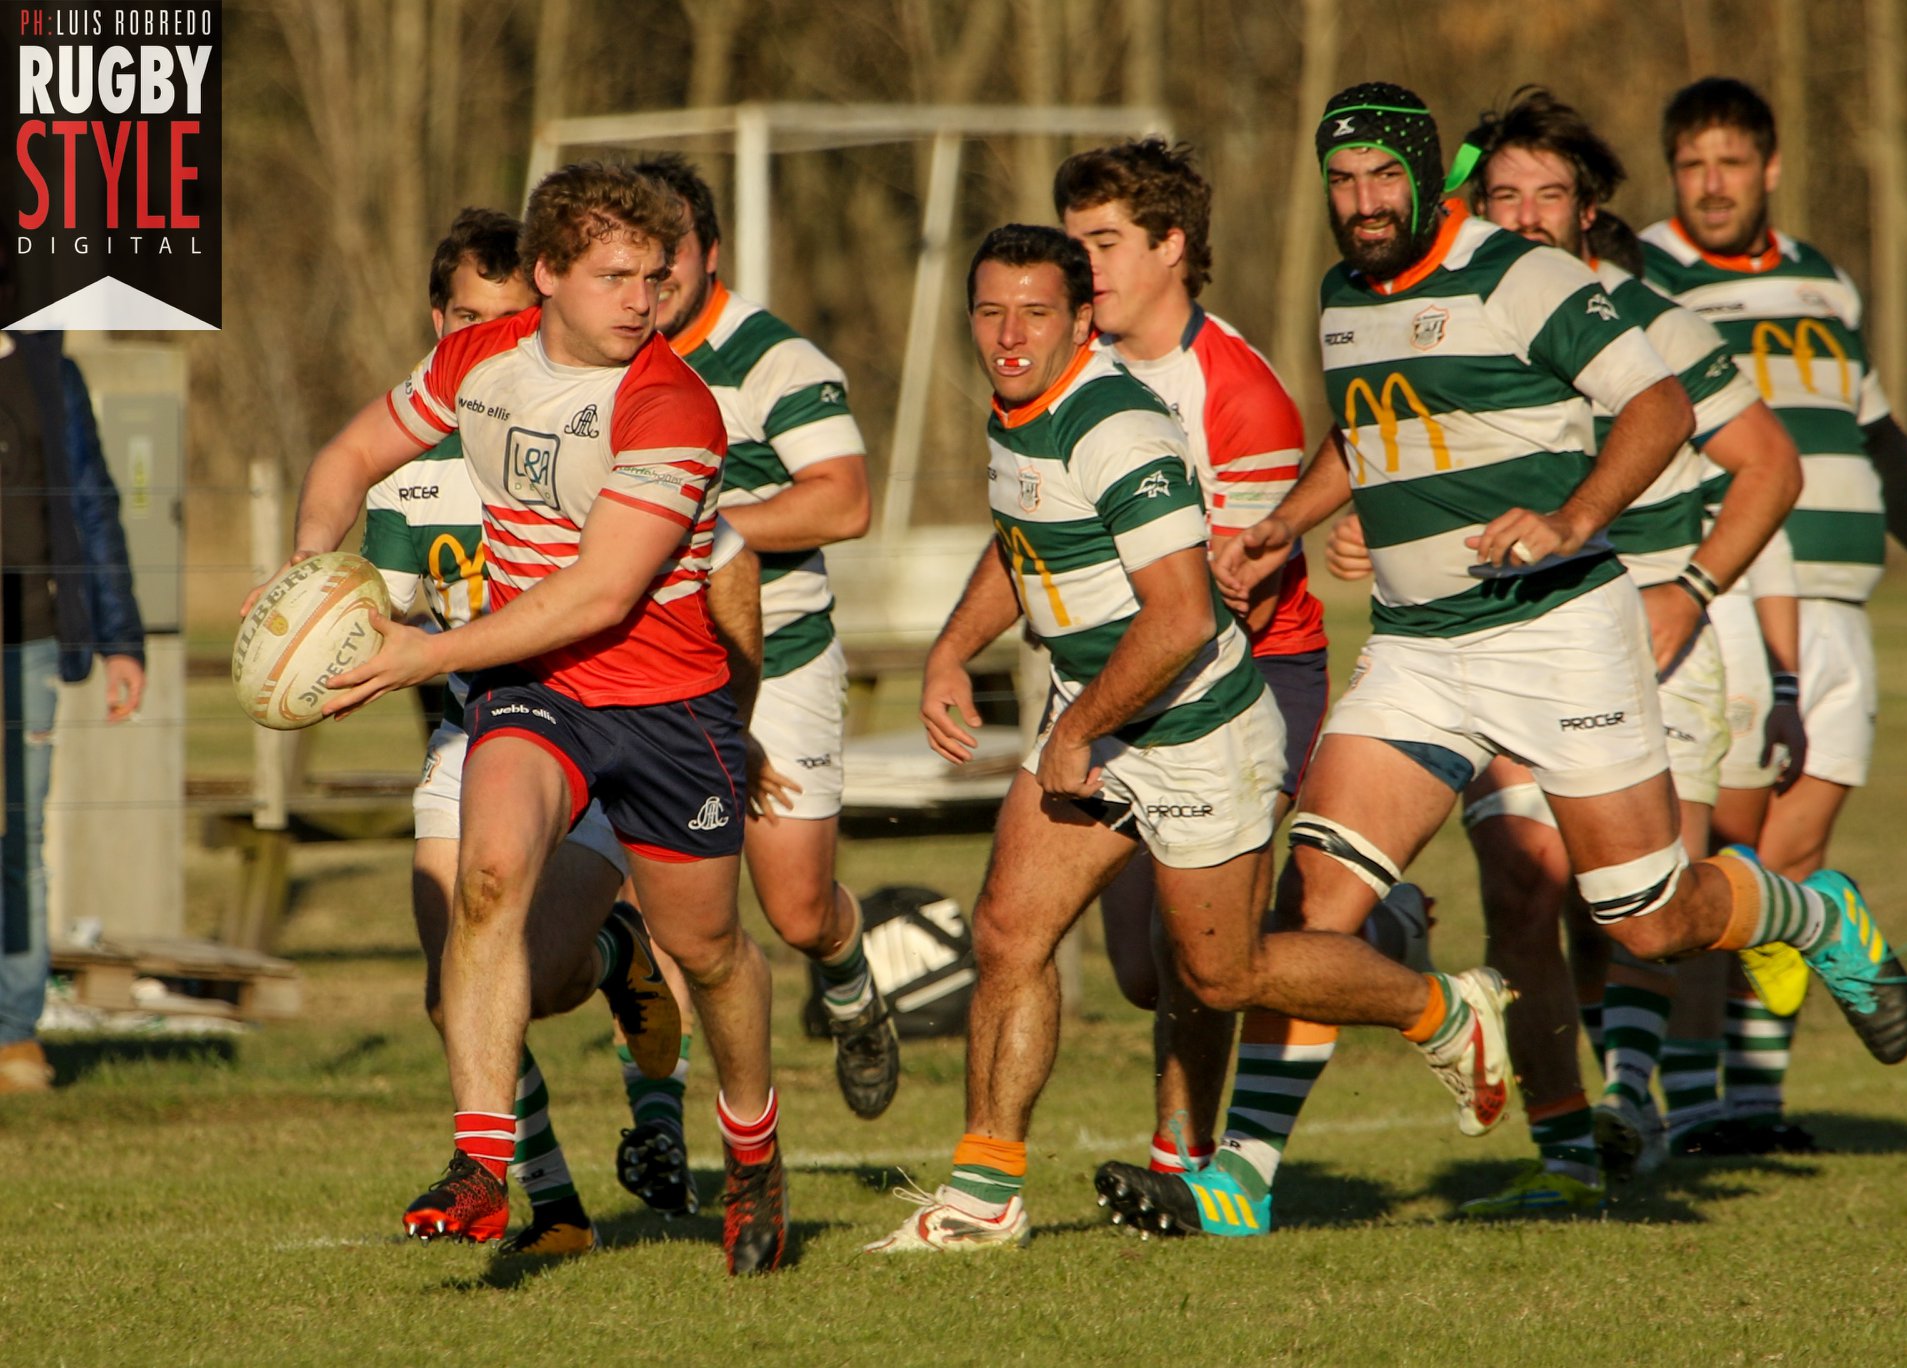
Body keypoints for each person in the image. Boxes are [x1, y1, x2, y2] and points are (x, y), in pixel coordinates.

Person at [1102, 81, 1907, 1240]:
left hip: (1559, 638)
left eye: (1385, 177)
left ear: (1426, 177)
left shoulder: (1519, 274)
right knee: (1314, 906)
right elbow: (1368, 422)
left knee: (1644, 919)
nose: (1363, 202)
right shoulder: (1343, 292)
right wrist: (1288, 519)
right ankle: (1243, 1175)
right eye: (1343, 180)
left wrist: (1575, 520)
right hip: (1420, 650)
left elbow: (1662, 404)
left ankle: (1812, 911)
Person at [867, 224, 1511, 1254]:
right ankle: (984, 1195)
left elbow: (1179, 619)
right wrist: (951, 650)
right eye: (990, 312)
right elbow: (1023, 534)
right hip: (1103, 721)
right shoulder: (1016, 409)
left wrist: (1076, 729)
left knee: (1220, 974)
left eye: (1035, 312)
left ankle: (1440, 1006)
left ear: (1082, 318)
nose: (1009, 335)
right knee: (1007, 933)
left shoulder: (1115, 426)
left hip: (1198, 735)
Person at [250, 164, 786, 1275]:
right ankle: (483, 1164)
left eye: (654, 276)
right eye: (612, 276)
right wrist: (314, 575)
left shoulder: (671, 405)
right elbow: (350, 454)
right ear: (545, 273)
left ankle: (752, 1146)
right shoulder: (474, 361)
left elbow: (598, 595)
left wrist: (417, 656)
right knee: (485, 880)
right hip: (539, 688)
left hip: (665, 703)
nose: (642, 299)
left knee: (712, 950)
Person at [1429, 88, 1799, 1213]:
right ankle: (1567, 1153)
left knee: (1640, 903)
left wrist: (1690, 589)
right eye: (1505, 196)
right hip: (1503, 644)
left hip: (1650, 636)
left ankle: (1637, 1080)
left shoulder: (1652, 322)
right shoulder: (1454, 320)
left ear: (1591, 212)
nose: (1529, 215)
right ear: (1476, 208)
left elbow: (1769, 467)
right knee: (1526, 899)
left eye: (1552, 195)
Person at [1639, 77, 1907, 1151]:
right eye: (1691, 165)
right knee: (1725, 844)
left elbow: (1882, 444)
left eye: (1730, 163)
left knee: (1792, 857)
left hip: (1846, 604)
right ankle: (1696, 1096)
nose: (1711, 186)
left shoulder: (1826, 284)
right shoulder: (1649, 277)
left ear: (1771, 169)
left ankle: (1751, 1104)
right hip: (1735, 592)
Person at [1052, 137, 1338, 1177]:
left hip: (1250, 676)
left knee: (1197, 954)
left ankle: (1181, 1152)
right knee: (1136, 968)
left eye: (1106, 242)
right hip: (1133, 678)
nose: (1085, 268)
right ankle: (1361, 928)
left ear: (1173, 245)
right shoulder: (1072, 370)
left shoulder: (1237, 395)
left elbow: (1225, 602)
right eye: (1074, 242)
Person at [634, 156, 898, 1122]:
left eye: (669, 266)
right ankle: (661, 1123)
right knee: (665, 914)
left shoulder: (774, 359)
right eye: (633, 266)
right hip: (647, 671)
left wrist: (697, 526)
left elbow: (846, 499)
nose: (649, 289)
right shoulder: (602, 353)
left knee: (793, 910)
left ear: (710, 251)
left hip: (775, 660)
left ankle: (849, 981)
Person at [0, 322, 147, 1094]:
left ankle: (15, 1036)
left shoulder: (48, 370)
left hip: (25, 640)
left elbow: (93, 504)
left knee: (18, 840)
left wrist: (121, 637)